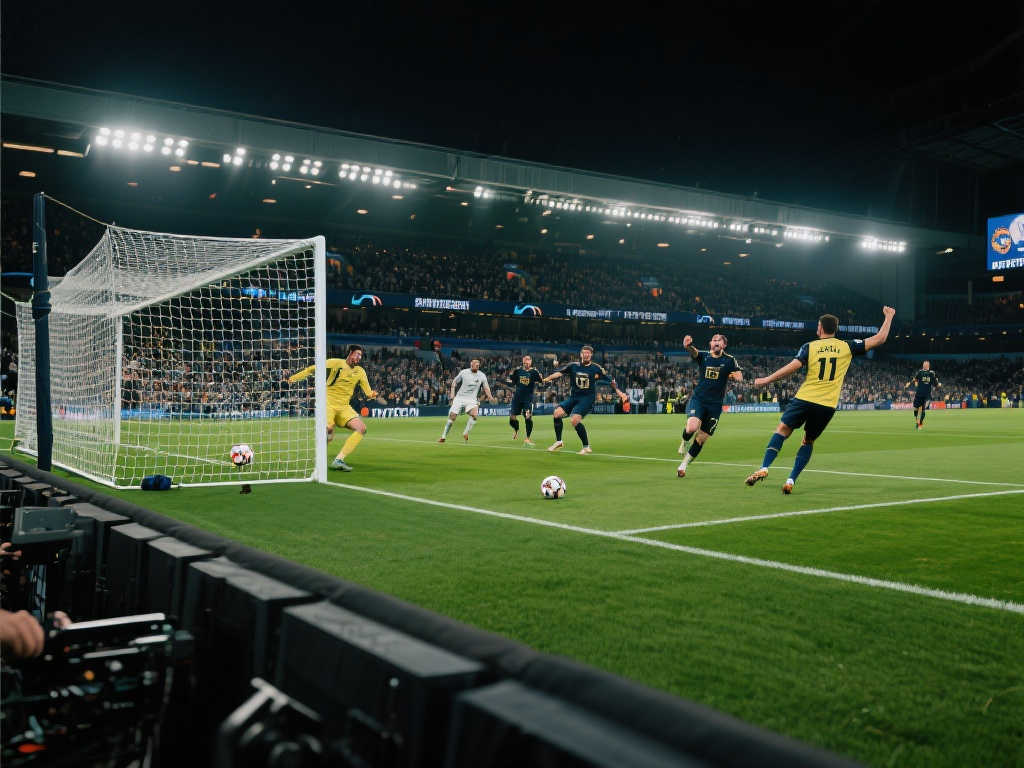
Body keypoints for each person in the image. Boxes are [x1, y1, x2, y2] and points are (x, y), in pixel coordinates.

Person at [745, 307, 895, 493]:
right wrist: (889, 316)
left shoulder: (810, 347)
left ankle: (764, 467)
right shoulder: (847, 346)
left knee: (782, 430)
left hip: (805, 398)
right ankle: (791, 480)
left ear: (821, 327)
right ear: (835, 329)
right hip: (827, 405)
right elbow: (880, 339)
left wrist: (766, 380)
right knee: (807, 441)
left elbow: (792, 367)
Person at [286, 344, 377, 472]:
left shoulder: (360, 371)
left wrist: (372, 395)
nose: (359, 357)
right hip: (328, 403)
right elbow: (312, 369)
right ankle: (320, 454)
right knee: (329, 430)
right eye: (357, 354)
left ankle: (338, 460)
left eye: (361, 355)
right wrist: (292, 379)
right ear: (350, 353)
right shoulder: (335, 363)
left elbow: (368, 392)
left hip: (344, 407)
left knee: (361, 429)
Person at [676, 333, 743, 477]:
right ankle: (684, 440)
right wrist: (688, 346)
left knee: (701, 439)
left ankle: (683, 465)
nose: (716, 342)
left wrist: (735, 376)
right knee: (691, 428)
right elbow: (694, 352)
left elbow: (739, 376)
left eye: (719, 340)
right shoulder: (704, 356)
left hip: (715, 405)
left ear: (724, 345)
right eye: (713, 340)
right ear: (710, 344)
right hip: (699, 399)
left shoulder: (730, 360)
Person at [541, 345, 628, 454]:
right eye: (584, 353)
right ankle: (559, 442)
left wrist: (620, 393)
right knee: (556, 413)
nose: (586, 355)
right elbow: (559, 373)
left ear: (591, 355)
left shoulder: (596, 368)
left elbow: (611, 381)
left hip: (587, 399)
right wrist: (546, 379)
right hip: (574, 397)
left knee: (574, 420)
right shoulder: (573, 366)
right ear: (581, 354)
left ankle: (586, 446)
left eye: (588, 353)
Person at [439, 358, 496, 442]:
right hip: (460, 398)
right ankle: (443, 436)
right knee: (452, 417)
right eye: (476, 365)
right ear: (471, 365)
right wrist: (452, 395)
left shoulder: (482, 375)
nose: (477, 367)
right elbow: (454, 382)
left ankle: (465, 433)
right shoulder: (464, 372)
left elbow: (486, 387)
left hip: (472, 399)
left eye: (478, 366)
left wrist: (490, 397)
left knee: (474, 415)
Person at [503, 355, 544, 446]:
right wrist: (510, 377)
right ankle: (516, 429)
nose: (527, 363)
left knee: (528, 417)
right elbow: (513, 382)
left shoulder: (534, 372)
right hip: (517, 397)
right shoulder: (518, 371)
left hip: (528, 398)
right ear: (523, 362)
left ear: (531, 362)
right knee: (512, 418)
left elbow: (541, 382)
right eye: (525, 361)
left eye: (528, 361)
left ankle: (528, 438)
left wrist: (541, 379)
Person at [906, 360, 941, 429]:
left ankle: (920, 424)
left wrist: (938, 385)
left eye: (926, 364)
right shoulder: (920, 372)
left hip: (926, 395)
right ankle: (917, 421)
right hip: (918, 394)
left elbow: (936, 384)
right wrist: (910, 384)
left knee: (923, 409)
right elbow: (915, 379)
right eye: (924, 364)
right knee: (915, 409)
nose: (924, 365)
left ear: (928, 366)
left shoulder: (931, 374)